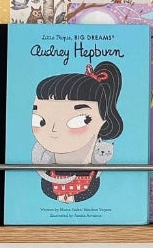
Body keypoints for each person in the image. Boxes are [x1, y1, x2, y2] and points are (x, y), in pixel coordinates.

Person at [31, 60, 125, 202]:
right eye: (40, 120)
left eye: (78, 120)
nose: (53, 130)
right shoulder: (44, 170)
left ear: (103, 121)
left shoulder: (95, 175)